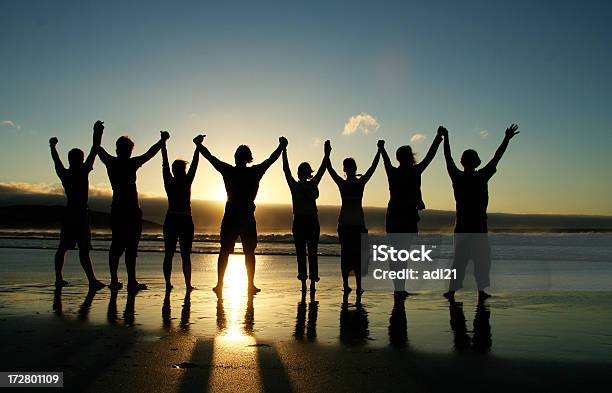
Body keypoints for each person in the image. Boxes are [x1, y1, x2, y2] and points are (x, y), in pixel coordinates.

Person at [195, 135, 287, 297]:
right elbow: (271, 160)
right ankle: (248, 284)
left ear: (236, 157)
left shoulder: (229, 170)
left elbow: (211, 158)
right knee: (248, 252)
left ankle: (221, 284)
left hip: (232, 215)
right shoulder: (254, 171)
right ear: (248, 158)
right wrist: (281, 146)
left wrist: (199, 145)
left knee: (226, 251)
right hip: (245, 216)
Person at [441, 124, 519, 303]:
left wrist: (446, 138)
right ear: (476, 162)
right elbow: (496, 158)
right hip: (474, 226)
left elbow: (448, 158)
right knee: (478, 260)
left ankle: (457, 291)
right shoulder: (479, 175)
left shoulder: (460, 176)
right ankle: (477, 291)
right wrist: (506, 139)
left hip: (466, 226)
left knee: (463, 261)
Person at [98, 129, 170, 292]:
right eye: (127, 150)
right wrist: (162, 141)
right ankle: (125, 281)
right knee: (125, 246)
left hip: (124, 210)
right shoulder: (124, 163)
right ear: (120, 150)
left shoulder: (114, 162)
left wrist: (98, 133)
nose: (129, 153)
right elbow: (149, 154)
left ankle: (121, 280)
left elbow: (98, 147)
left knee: (122, 246)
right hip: (127, 210)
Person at [378, 129, 443, 297]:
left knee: (397, 253)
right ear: (409, 157)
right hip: (404, 216)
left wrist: (382, 148)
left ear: (399, 158)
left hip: (395, 215)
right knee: (402, 254)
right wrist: (437, 138)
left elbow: (385, 161)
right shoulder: (414, 171)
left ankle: (398, 287)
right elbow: (430, 156)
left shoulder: (394, 172)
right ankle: (399, 287)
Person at [49, 120, 105, 290]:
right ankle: (91, 280)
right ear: (79, 160)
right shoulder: (82, 170)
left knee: (65, 247)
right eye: (80, 158)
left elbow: (56, 161)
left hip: (71, 213)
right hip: (79, 214)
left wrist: (52, 146)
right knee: (81, 249)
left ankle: (61, 278)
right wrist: (97, 131)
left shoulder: (65, 173)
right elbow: (94, 149)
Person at [327, 141, 381, 295]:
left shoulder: (346, 183)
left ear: (345, 169)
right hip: (354, 224)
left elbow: (330, 169)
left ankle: (348, 285)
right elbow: (372, 168)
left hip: (347, 224)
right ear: (353, 168)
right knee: (356, 256)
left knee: (348, 255)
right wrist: (379, 151)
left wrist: (327, 154)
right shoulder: (357, 183)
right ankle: (356, 285)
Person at [282, 139, 330, 293]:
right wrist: (327, 154)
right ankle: (309, 282)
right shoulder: (306, 185)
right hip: (307, 220)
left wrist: (284, 150)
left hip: (305, 221)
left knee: (304, 253)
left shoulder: (301, 185)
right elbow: (286, 170)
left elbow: (286, 170)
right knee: (309, 253)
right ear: (307, 173)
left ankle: (307, 282)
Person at [161, 135, 202, 292]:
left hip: (175, 218)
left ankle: (174, 284)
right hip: (181, 218)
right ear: (180, 170)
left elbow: (165, 163)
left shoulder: (172, 180)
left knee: (171, 253)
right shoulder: (183, 180)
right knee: (181, 254)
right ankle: (185, 284)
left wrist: (164, 144)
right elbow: (195, 165)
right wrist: (197, 146)